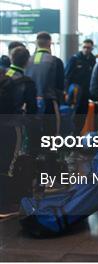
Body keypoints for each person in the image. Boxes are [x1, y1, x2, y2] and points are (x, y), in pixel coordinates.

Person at [0, 47, 38, 217]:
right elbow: (32, 111)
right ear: (27, 61)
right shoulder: (25, 82)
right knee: (9, 163)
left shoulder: (3, 75)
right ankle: (5, 205)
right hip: (12, 126)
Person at [64, 39, 96, 134]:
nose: (86, 49)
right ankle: (71, 137)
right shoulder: (74, 59)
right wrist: (66, 91)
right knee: (73, 116)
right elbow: (67, 76)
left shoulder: (92, 60)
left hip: (86, 94)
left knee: (82, 116)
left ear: (92, 48)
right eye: (84, 47)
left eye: (88, 48)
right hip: (75, 94)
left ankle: (77, 136)